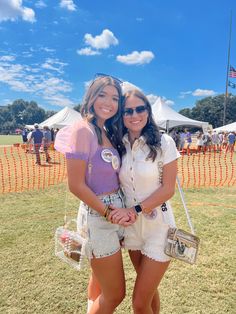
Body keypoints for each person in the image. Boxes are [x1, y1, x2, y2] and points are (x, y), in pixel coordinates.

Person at [55, 75, 132, 314]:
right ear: (91, 97)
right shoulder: (82, 130)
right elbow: (76, 185)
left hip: (114, 210)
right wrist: (109, 212)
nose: (108, 102)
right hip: (99, 215)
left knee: (98, 279)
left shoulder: (104, 129)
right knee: (116, 294)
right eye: (102, 95)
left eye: (114, 98)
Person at [109, 89, 180, 314]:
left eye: (140, 108)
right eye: (128, 110)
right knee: (148, 293)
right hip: (131, 229)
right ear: (121, 115)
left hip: (159, 226)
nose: (135, 114)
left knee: (139, 303)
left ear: (148, 112)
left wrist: (135, 208)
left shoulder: (164, 142)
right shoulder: (117, 145)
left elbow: (168, 189)